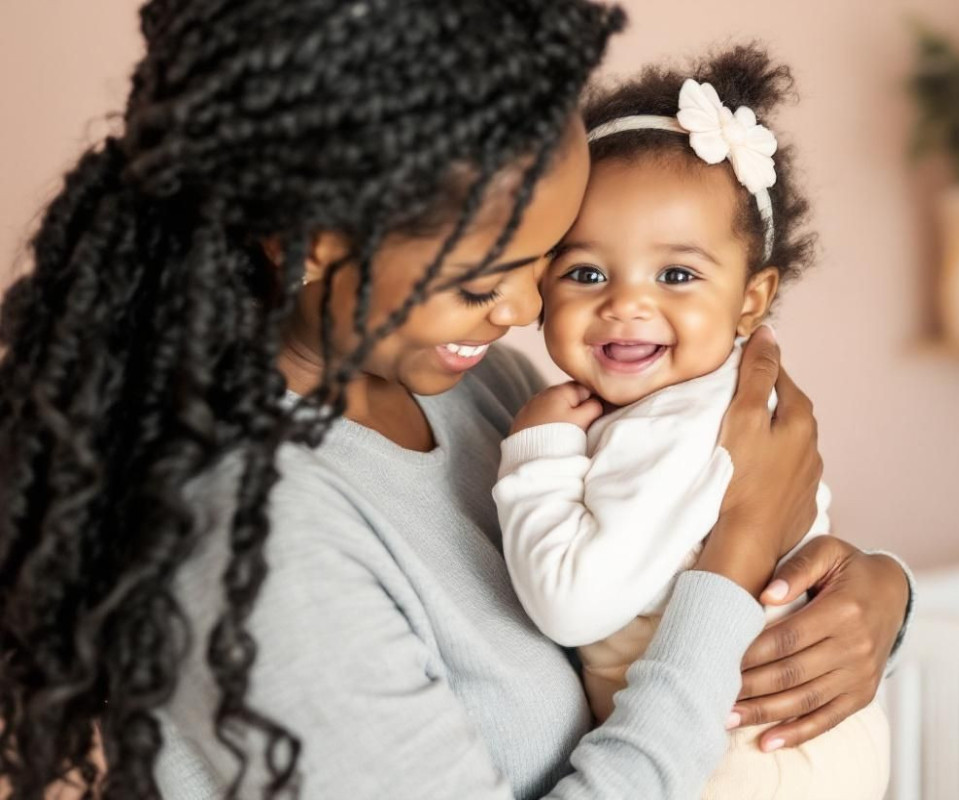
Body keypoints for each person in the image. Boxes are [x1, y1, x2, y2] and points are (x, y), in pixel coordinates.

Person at [0, 2, 913, 798]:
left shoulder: (483, 394)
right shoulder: (254, 543)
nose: (522, 312)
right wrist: (739, 550)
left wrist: (871, 597)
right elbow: (705, 573)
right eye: (483, 280)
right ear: (305, 238)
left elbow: (662, 562)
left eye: (546, 263)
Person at [495, 46, 890, 800]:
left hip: (741, 750)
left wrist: (537, 454)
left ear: (751, 299)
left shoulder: (676, 426)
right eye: (586, 272)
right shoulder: (691, 401)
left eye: (676, 275)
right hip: (754, 734)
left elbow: (568, 601)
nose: (627, 303)